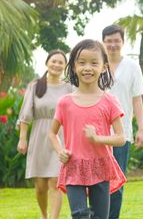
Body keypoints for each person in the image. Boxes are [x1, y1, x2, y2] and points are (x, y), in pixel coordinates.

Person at [48, 39, 127, 219]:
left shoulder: (109, 101)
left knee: (100, 217)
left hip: (101, 165)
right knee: (80, 215)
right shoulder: (65, 102)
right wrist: (60, 151)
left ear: (104, 67)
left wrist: (98, 138)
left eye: (93, 63)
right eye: (81, 62)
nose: (87, 68)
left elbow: (121, 137)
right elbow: (52, 133)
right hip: (73, 166)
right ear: (74, 67)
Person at [17, 49, 72, 219]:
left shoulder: (69, 87)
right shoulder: (35, 86)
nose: (56, 65)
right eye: (53, 61)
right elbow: (26, 115)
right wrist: (22, 139)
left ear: (65, 66)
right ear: (47, 63)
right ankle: (43, 214)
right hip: (39, 138)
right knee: (40, 186)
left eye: (60, 62)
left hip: (61, 137)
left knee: (56, 182)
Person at [101, 24, 143, 219]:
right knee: (95, 181)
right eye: (109, 41)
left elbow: (137, 99)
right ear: (103, 42)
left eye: (116, 41)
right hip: (97, 133)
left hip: (122, 133)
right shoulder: (96, 63)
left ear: (123, 42)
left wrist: (141, 129)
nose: (112, 45)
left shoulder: (132, 66)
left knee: (116, 181)